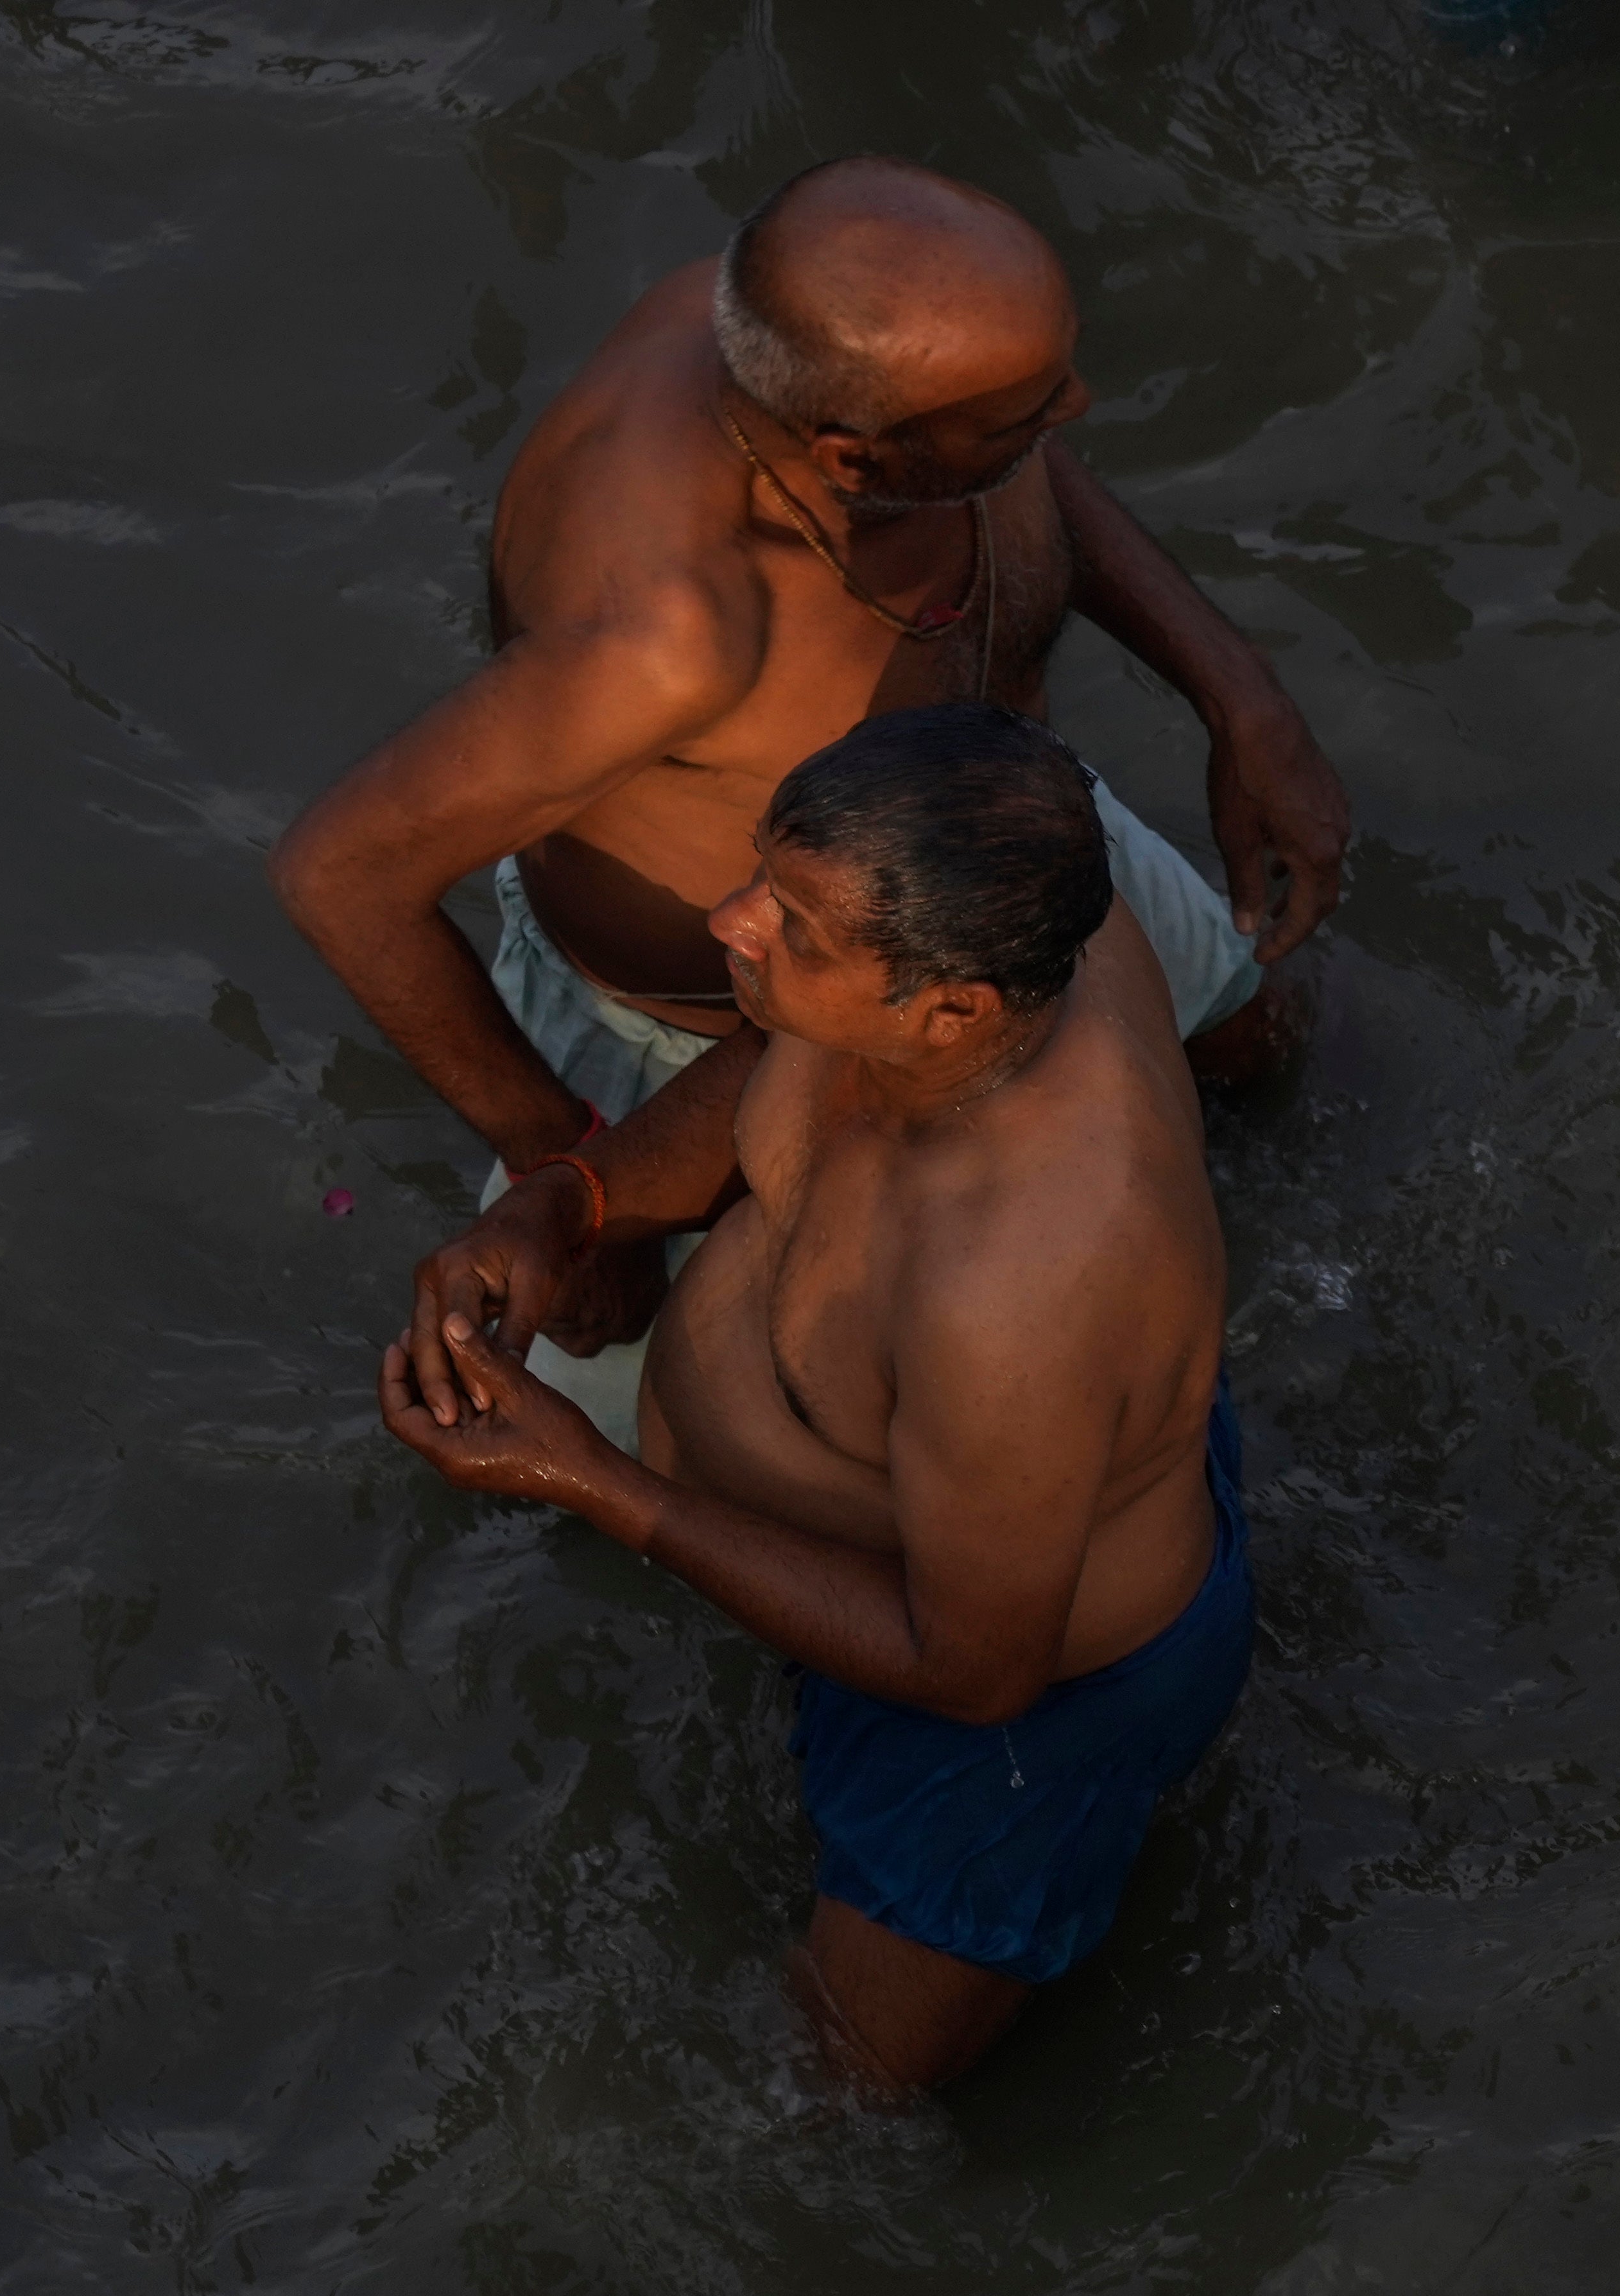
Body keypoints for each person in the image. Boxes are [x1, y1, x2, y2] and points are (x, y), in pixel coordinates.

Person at [273, 153, 1350, 1444]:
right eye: (1028, 410)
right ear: (852, 454)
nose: (1078, 404)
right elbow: (339, 875)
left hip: (999, 827)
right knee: (705, 1440)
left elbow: (1012, 457)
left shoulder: (843, 344)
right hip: (726, 1016)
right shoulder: (668, 633)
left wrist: (1241, 697)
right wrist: (572, 1168)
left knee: (1256, 1047)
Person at [379, 704, 1246, 2093]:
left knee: (833, 2093)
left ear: (948, 1007)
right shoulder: (973, 972)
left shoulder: (1017, 1280)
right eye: (758, 881)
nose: (729, 925)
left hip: (1015, 1718)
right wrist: (570, 1204)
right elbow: (761, 1067)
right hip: (924, 1520)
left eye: (787, 923)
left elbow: (974, 1672)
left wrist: (595, 1484)